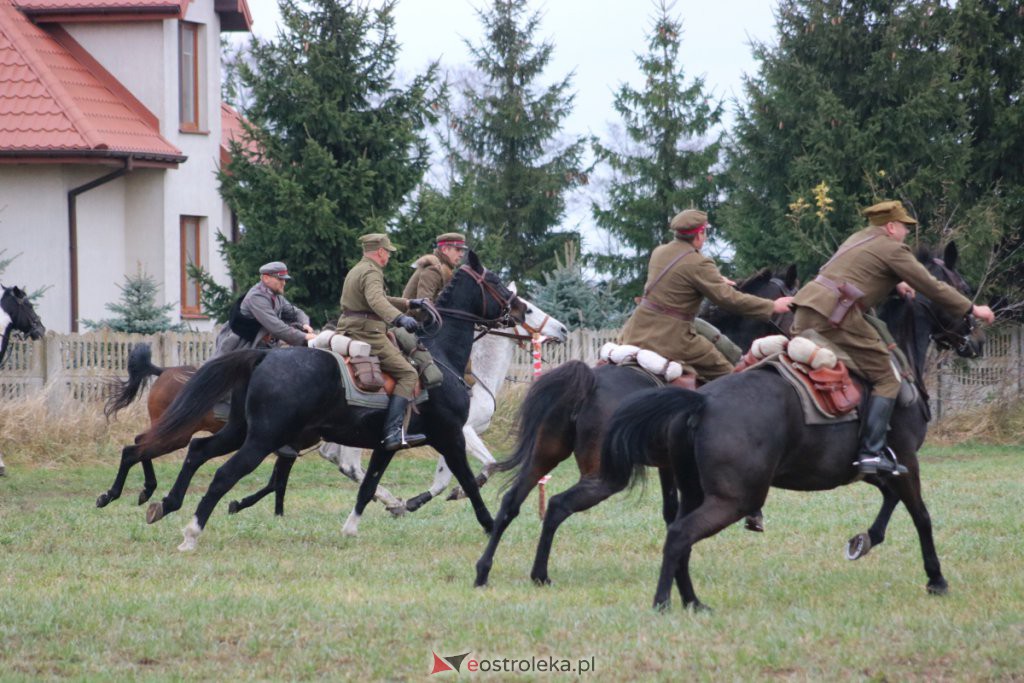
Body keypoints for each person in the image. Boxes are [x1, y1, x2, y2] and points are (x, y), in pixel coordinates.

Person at [790, 200, 995, 476]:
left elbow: (855, 274)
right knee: (887, 376)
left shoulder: (857, 239)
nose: (907, 232)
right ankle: (871, 452)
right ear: (890, 226)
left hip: (805, 311)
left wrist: (894, 284)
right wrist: (971, 308)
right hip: (838, 318)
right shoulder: (892, 248)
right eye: (903, 226)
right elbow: (930, 285)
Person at [619, 208, 794, 383]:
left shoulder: (660, 252)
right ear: (699, 234)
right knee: (730, 375)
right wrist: (772, 306)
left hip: (636, 328)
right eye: (705, 232)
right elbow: (729, 300)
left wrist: (714, 279)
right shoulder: (700, 264)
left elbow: (676, 277)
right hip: (672, 337)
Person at [338, 233, 428, 451]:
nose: (388, 256)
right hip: (367, 332)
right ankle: (393, 432)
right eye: (387, 252)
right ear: (380, 251)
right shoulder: (372, 272)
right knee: (408, 374)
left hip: (349, 327)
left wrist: (408, 303)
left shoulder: (358, 269)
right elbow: (376, 300)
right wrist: (399, 319)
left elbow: (378, 298)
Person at [212, 261, 315, 359]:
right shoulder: (256, 297)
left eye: (285, 280)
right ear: (266, 278)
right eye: (280, 279)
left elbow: (296, 312)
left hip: (263, 346)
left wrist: (305, 324)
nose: (284, 283)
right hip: (242, 347)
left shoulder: (276, 296)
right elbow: (276, 327)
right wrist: (305, 337)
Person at [403, 232, 469, 300]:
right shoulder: (433, 268)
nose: (461, 255)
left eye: (462, 251)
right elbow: (423, 304)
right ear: (445, 249)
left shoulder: (444, 268)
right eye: (458, 250)